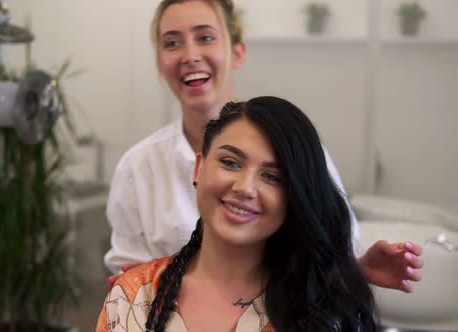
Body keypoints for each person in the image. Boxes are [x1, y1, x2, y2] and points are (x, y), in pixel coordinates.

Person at [104, 0, 422, 293]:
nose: (189, 55)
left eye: (205, 38)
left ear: (237, 52)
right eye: (172, 43)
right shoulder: (138, 166)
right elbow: (131, 281)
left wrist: (356, 268)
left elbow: (335, 252)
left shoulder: (296, 148)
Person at [97, 97, 378, 332]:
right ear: (198, 169)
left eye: (271, 177)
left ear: (294, 197)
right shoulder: (134, 298)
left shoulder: (327, 311)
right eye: (230, 162)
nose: (244, 188)